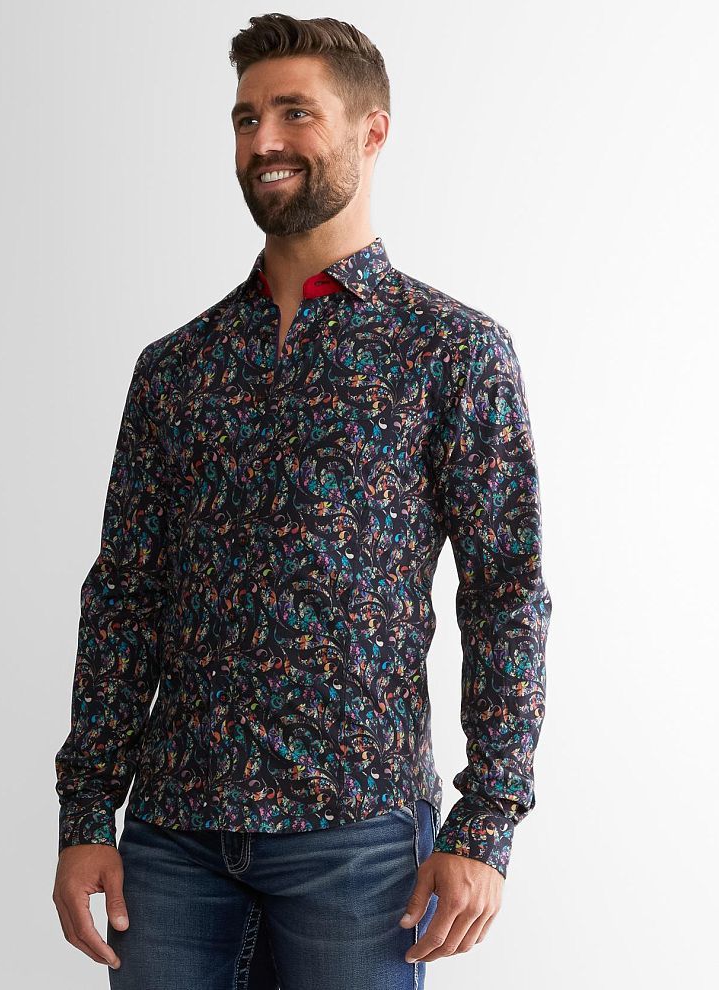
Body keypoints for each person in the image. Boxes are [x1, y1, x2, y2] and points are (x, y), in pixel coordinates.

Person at [52, 12, 552, 989]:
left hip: (357, 842)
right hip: (170, 841)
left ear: (372, 131)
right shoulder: (178, 367)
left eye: (294, 113)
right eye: (246, 118)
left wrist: (486, 820)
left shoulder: (451, 351)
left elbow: (505, 591)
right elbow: (123, 596)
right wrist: (85, 815)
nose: (263, 141)